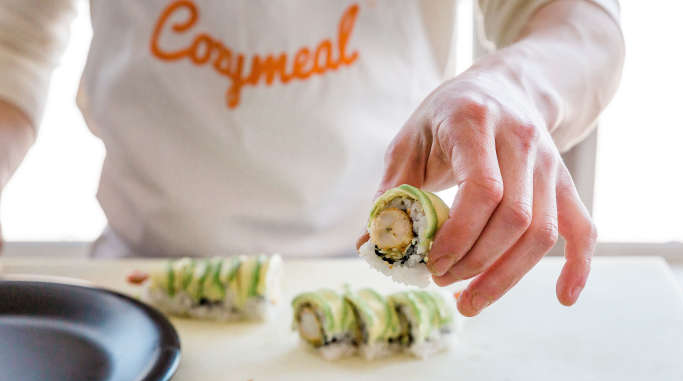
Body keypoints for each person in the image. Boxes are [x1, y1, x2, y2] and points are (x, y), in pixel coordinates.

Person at [0, 0, 624, 316]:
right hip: (139, 287)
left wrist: (512, 86)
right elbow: (12, 48)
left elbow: (583, 26)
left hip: (389, 290)